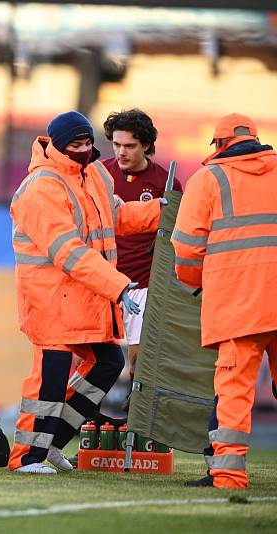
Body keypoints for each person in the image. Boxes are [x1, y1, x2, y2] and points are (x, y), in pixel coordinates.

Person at [8, 111, 162, 474]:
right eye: (76, 144)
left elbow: (116, 216)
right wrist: (119, 285)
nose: (84, 149)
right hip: (50, 300)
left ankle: (51, 444)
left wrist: (161, 211)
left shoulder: (93, 173)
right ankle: (26, 458)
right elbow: (68, 251)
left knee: (108, 363)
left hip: (82, 298)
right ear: (58, 145)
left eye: (88, 142)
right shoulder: (42, 186)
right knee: (50, 376)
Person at [173, 113, 277, 489]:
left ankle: (229, 476)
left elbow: (185, 252)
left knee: (234, 392)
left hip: (239, 304)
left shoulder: (209, 180)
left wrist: (199, 282)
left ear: (218, 145)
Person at [102, 109, 182, 380]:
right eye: (116, 144)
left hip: (142, 284)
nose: (121, 152)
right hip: (104, 281)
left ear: (146, 145)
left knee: (139, 363)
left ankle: (133, 417)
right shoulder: (98, 176)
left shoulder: (165, 184)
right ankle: (87, 420)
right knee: (91, 359)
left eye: (129, 146)